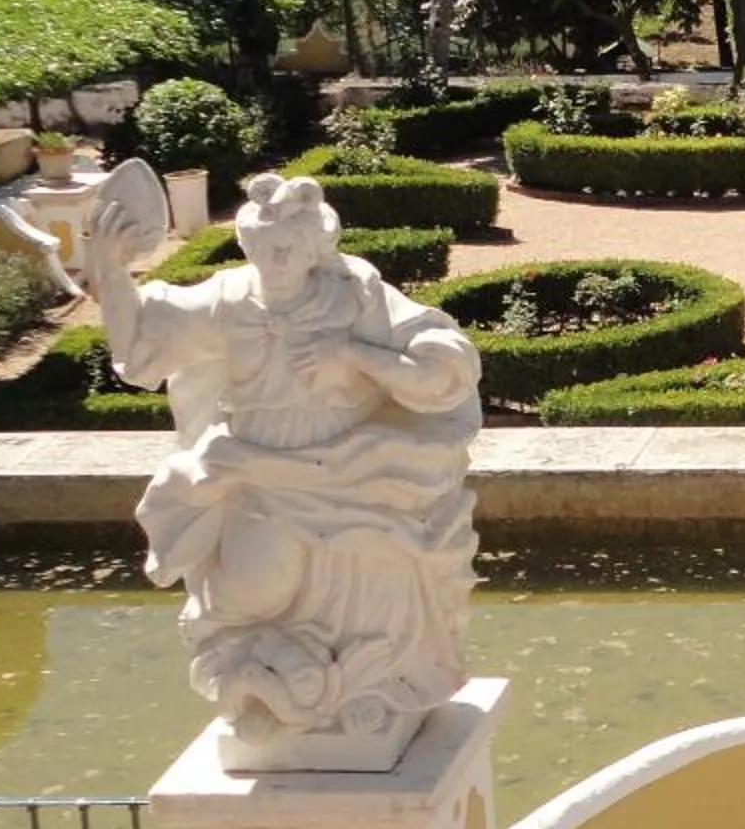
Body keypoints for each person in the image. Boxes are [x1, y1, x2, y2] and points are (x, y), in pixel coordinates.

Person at [88, 171, 484, 771]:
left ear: (313, 249)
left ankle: (368, 691)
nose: (270, 262)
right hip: (258, 473)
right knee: (255, 588)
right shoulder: (227, 300)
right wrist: (111, 272)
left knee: (388, 568)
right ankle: (255, 678)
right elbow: (141, 344)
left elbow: (444, 370)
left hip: (352, 470)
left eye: (285, 250)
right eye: (258, 248)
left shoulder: (355, 294)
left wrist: (353, 354)